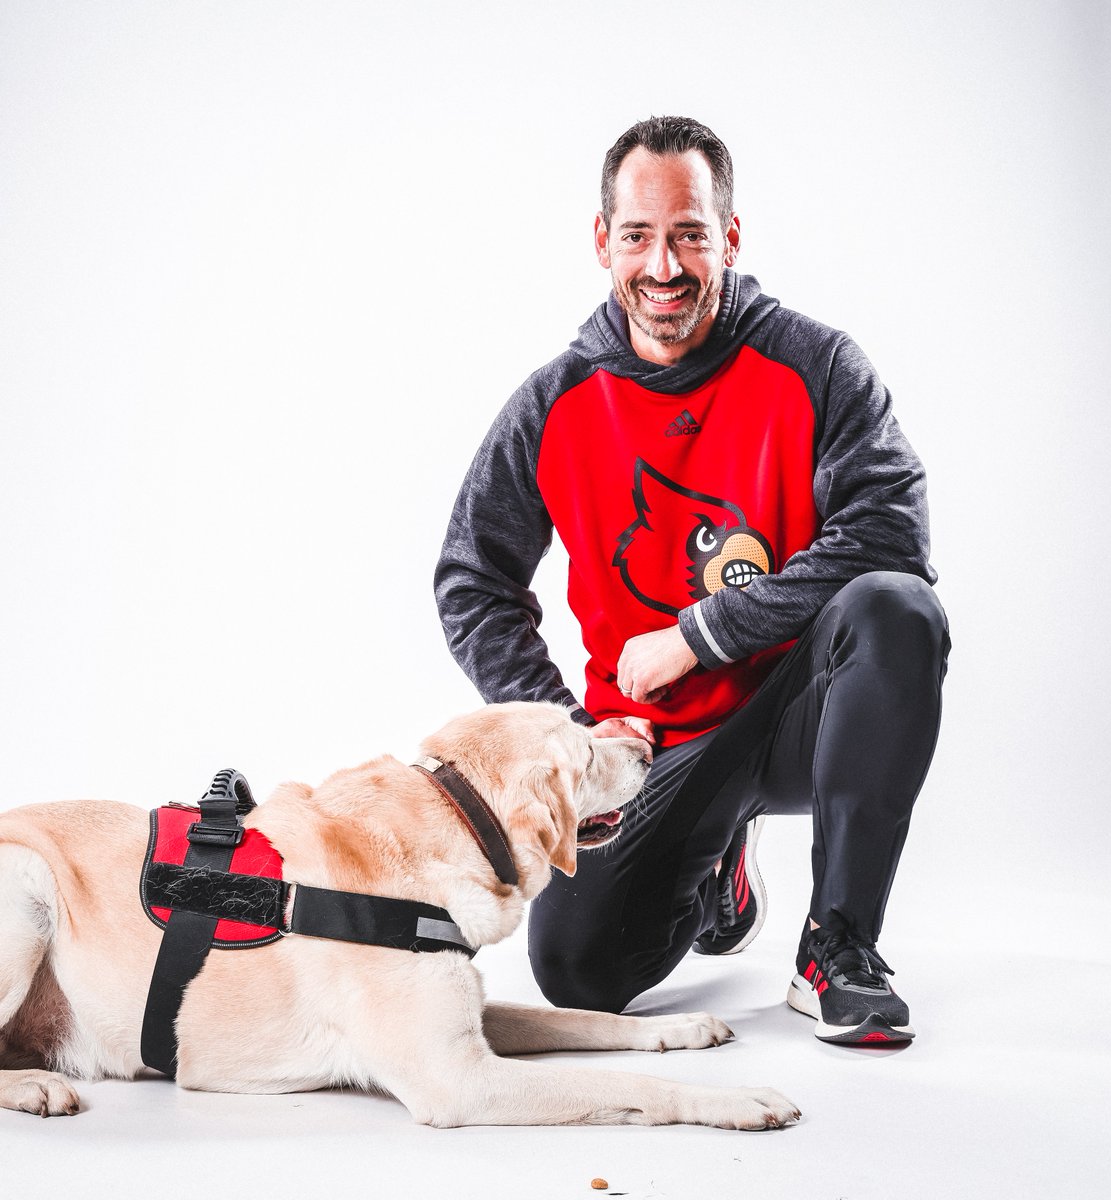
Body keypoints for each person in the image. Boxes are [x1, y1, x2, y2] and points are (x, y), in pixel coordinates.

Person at [434, 116, 950, 1046]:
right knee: (578, 975)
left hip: (796, 714)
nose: (663, 266)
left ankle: (838, 946)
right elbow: (473, 578)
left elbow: (891, 533)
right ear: (603, 241)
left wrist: (701, 634)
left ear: (730, 236)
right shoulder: (554, 403)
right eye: (637, 235)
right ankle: (715, 861)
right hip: (645, 752)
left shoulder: (816, 365)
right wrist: (568, 726)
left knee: (896, 609)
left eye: (689, 234)